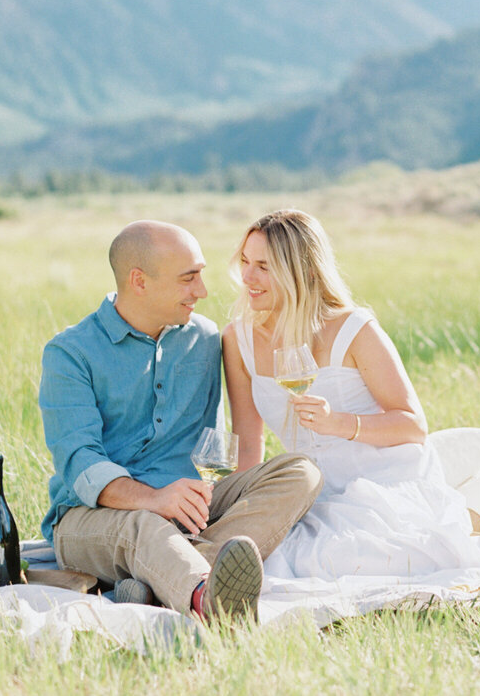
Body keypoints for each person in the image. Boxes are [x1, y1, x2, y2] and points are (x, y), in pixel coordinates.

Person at [223, 209, 480, 580]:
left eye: (264, 267)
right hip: (311, 494)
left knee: (348, 556)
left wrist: (338, 424)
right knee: (285, 558)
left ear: (305, 271)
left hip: (385, 481)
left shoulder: (353, 329)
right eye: (246, 262)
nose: (248, 277)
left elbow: (413, 426)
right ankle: (471, 540)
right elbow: (248, 446)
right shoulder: (239, 340)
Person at [38, 220, 322, 622]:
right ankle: (211, 602)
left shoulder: (205, 339)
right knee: (145, 527)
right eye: (188, 279)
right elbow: (79, 462)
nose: (202, 292)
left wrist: (207, 491)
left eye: (201, 276)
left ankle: (159, 583)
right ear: (139, 281)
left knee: (301, 471)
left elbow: (215, 441)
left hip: (190, 509)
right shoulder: (70, 353)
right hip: (94, 518)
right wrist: (154, 499)